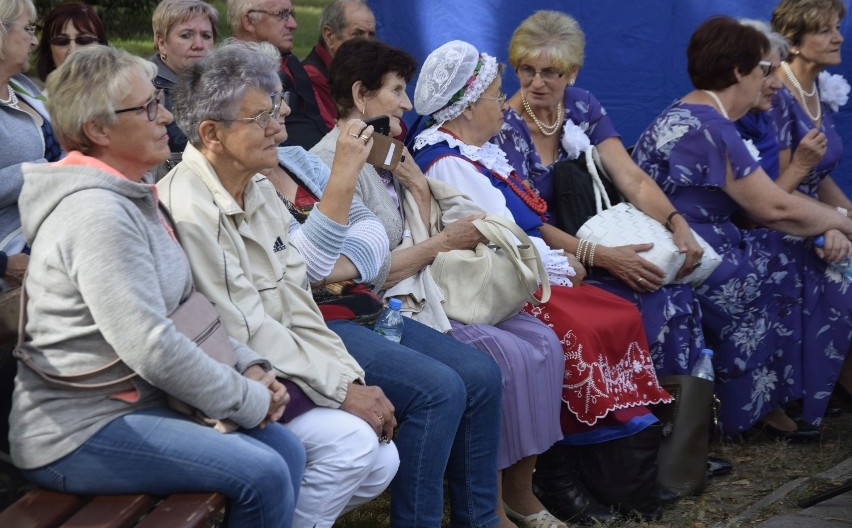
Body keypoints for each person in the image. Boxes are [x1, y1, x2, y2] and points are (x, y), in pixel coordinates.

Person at [9, 44, 305, 527]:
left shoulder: (130, 197)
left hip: (143, 402)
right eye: (148, 106)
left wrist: (250, 367)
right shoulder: (96, 214)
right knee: (264, 472)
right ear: (98, 129)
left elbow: (187, 310)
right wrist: (247, 398)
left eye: (159, 100)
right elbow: (153, 346)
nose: (166, 114)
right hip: (79, 429)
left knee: (284, 448)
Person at [413, 39, 676, 524]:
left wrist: (570, 257)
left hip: (523, 272)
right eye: (495, 94)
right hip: (494, 286)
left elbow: (519, 227)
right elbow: (496, 236)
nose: (503, 103)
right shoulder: (448, 159)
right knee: (579, 328)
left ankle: (604, 469)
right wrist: (563, 263)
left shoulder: (475, 150)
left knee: (617, 310)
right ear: (468, 107)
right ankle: (554, 477)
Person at [157, 41, 398, 528]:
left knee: (381, 461)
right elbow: (242, 330)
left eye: (275, 110)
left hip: (281, 372)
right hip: (232, 386)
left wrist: (350, 378)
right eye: (260, 117)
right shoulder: (190, 208)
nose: (277, 126)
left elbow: (298, 300)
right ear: (212, 134)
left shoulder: (257, 185)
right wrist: (340, 392)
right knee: (353, 444)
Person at [310, 37, 508, 527]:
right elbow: (362, 270)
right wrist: (438, 246)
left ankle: (479, 521)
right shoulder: (328, 164)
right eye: (396, 90)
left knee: (483, 375)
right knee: (442, 387)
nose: (405, 102)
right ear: (360, 94)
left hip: (391, 305)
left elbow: (406, 236)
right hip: (353, 309)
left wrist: (418, 187)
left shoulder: (384, 152)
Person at [632, 15, 852, 440]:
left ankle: (775, 400)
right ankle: (753, 408)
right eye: (762, 70)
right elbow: (772, 207)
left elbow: (771, 206)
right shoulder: (711, 128)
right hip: (687, 249)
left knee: (792, 255)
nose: (767, 79)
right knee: (783, 264)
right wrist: (841, 222)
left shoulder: (698, 114)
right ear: (739, 72)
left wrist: (831, 225)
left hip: (702, 240)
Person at [493, 10, 708, 382]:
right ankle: (631, 422)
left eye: (551, 73)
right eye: (526, 69)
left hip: (601, 237)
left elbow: (632, 179)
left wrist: (677, 223)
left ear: (572, 72)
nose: (536, 82)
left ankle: (676, 417)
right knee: (646, 297)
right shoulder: (504, 127)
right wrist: (604, 258)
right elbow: (527, 224)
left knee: (675, 292)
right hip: (549, 256)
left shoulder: (581, 105)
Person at [0, 0, 62, 289]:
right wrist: (40, 171)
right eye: (27, 29)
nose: (35, 40)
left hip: (51, 229)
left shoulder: (23, 86)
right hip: (15, 254)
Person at [771, 0, 852, 221]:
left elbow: (816, 174)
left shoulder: (815, 86)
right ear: (793, 42)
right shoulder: (774, 95)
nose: (839, 38)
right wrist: (840, 220)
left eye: (837, 27)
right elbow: (774, 189)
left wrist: (848, 211)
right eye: (825, 31)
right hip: (782, 227)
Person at [228, 0, 328, 149]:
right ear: (249, 21)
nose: (293, 24)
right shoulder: (235, 76)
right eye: (282, 15)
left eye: (291, 14)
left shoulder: (291, 62)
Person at [735, 19, 826, 191]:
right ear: (739, 71)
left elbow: (779, 190)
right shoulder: (717, 125)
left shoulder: (767, 112)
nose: (777, 84)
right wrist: (799, 166)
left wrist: (843, 213)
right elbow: (761, 212)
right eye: (768, 72)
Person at [151, 0, 218, 163]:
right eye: (186, 35)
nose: (199, 45)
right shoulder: (145, 88)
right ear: (162, 43)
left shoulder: (223, 83)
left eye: (206, 36)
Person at [303, 0, 376, 129]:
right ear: (329, 36)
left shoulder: (361, 71)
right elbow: (335, 131)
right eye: (357, 34)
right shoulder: (312, 76)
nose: (368, 44)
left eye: (371, 35)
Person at [34, 0, 106, 83]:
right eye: (61, 41)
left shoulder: (121, 94)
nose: (73, 51)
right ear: (49, 50)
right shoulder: (40, 96)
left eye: (84, 40)